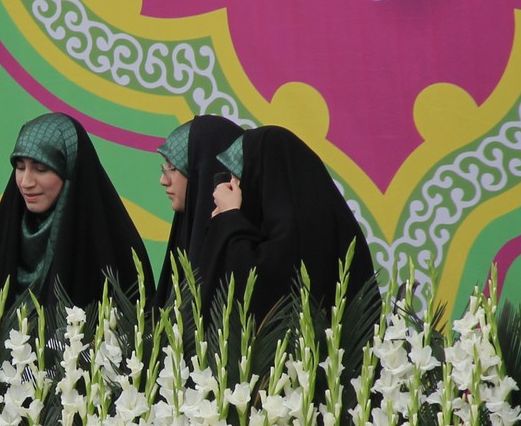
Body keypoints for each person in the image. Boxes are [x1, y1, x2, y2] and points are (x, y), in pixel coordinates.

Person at [0, 112, 154, 315]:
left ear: (69, 170)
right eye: (20, 167)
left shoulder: (113, 248)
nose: (26, 182)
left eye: (41, 168)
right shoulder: (0, 240)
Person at [204, 125, 376, 320]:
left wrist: (229, 218)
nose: (232, 186)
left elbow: (255, 288)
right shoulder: (323, 218)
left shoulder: (300, 231)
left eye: (237, 175)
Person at [155, 115, 245, 311]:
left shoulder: (240, 250)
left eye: (172, 167)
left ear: (203, 170)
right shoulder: (184, 233)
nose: (163, 180)